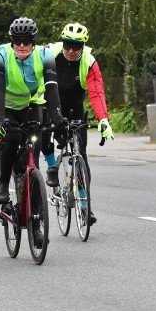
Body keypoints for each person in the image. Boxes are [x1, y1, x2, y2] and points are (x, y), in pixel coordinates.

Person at [0, 18, 65, 248]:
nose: (22, 46)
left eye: (27, 42)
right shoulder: (0, 56)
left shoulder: (46, 56)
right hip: (5, 106)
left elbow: (52, 89)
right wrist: (1, 119)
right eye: (17, 42)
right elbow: (0, 89)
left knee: (36, 150)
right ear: (12, 42)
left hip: (32, 105)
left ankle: (37, 225)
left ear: (34, 42)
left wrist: (57, 118)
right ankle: (3, 184)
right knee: (11, 138)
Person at [39, 22, 113, 226]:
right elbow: (21, 53)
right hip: (49, 104)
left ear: (83, 46)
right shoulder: (48, 54)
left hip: (75, 108)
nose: (71, 50)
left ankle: (84, 207)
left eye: (76, 46)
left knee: (82, 155)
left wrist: (103, 119)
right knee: (43, 135)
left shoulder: (89, 62)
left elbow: (97, 93)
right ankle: (52, 167)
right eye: (67, 45)